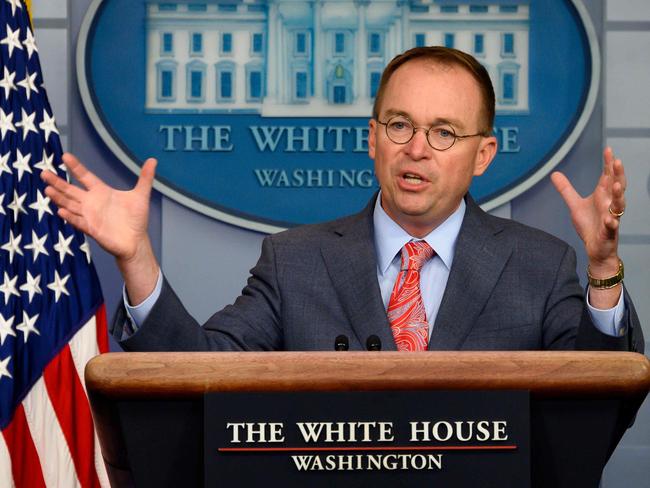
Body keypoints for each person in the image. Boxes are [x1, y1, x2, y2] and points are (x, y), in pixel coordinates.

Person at [42, 47, 643, 353]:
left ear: (483, 155)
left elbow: (598, 395)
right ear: (372, 138)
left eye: (443, 133)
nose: (417, 150)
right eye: (400, 125)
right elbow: (200, 371)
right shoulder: (294, 262)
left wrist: (603, 271)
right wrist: (136, 257)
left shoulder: (541, 266)